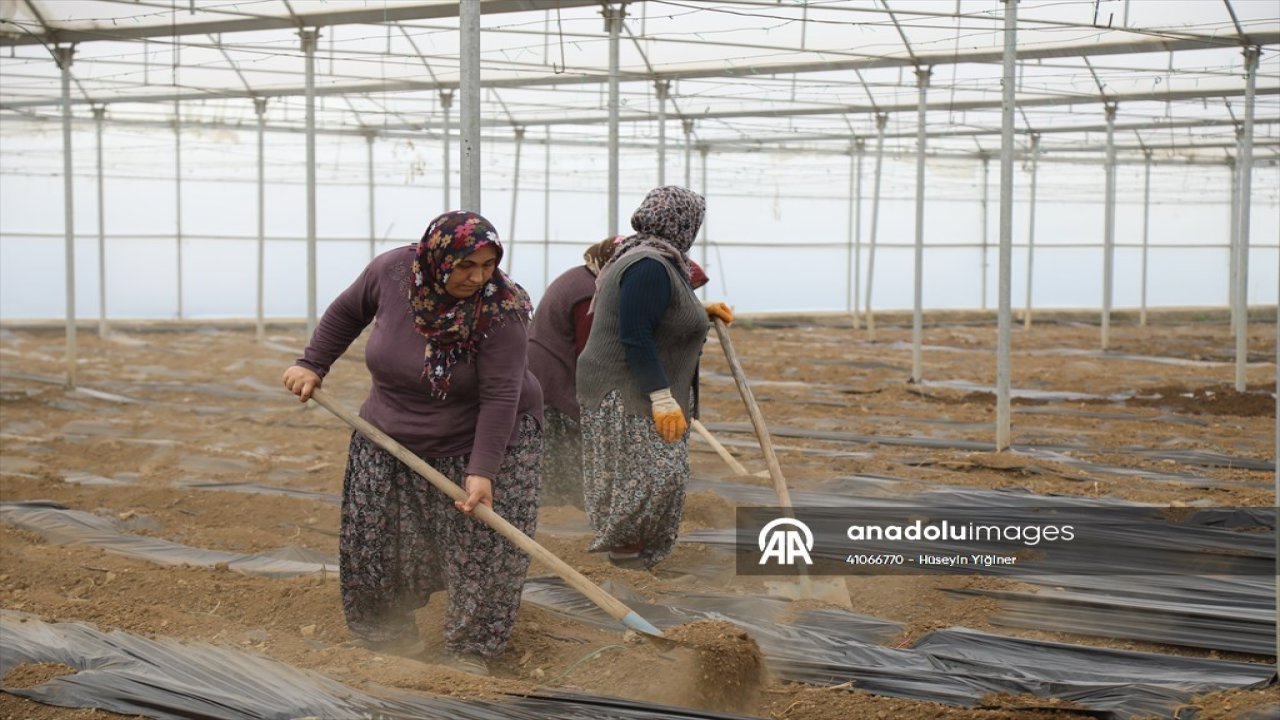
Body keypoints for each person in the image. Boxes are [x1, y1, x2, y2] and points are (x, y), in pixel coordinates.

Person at [280, 210, 542, 676]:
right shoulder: (393, 272)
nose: (478, 277)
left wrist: (482, 471)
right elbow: (346, 312)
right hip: (388, 432)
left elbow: (501, 394)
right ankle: (384, 635)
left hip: (482, 434)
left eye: (487, 265)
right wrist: (312, 363)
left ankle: (470, 649)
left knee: (483, 546)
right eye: (466, 265)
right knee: (373, 538)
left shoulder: (502, 310)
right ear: (439, 256)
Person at [575, 186, 732, 568]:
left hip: (643, 387)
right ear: (683, 224)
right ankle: (627, 558)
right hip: (629, 391)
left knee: (657, 476)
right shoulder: (648, 263)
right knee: (649, 478)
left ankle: (638, 557)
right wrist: (661, 397)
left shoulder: (655, 258)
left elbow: (655, 312)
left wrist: (698, 311)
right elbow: (635, 333)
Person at [529, 237, 710, 509]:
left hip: (552, 375)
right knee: (576, 453)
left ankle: (571, 504)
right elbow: (597, 351)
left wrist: (699, 312)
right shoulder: (591, 295)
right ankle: (574, 509)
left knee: (573, 454)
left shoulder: (593, 279)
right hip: (557, 378)